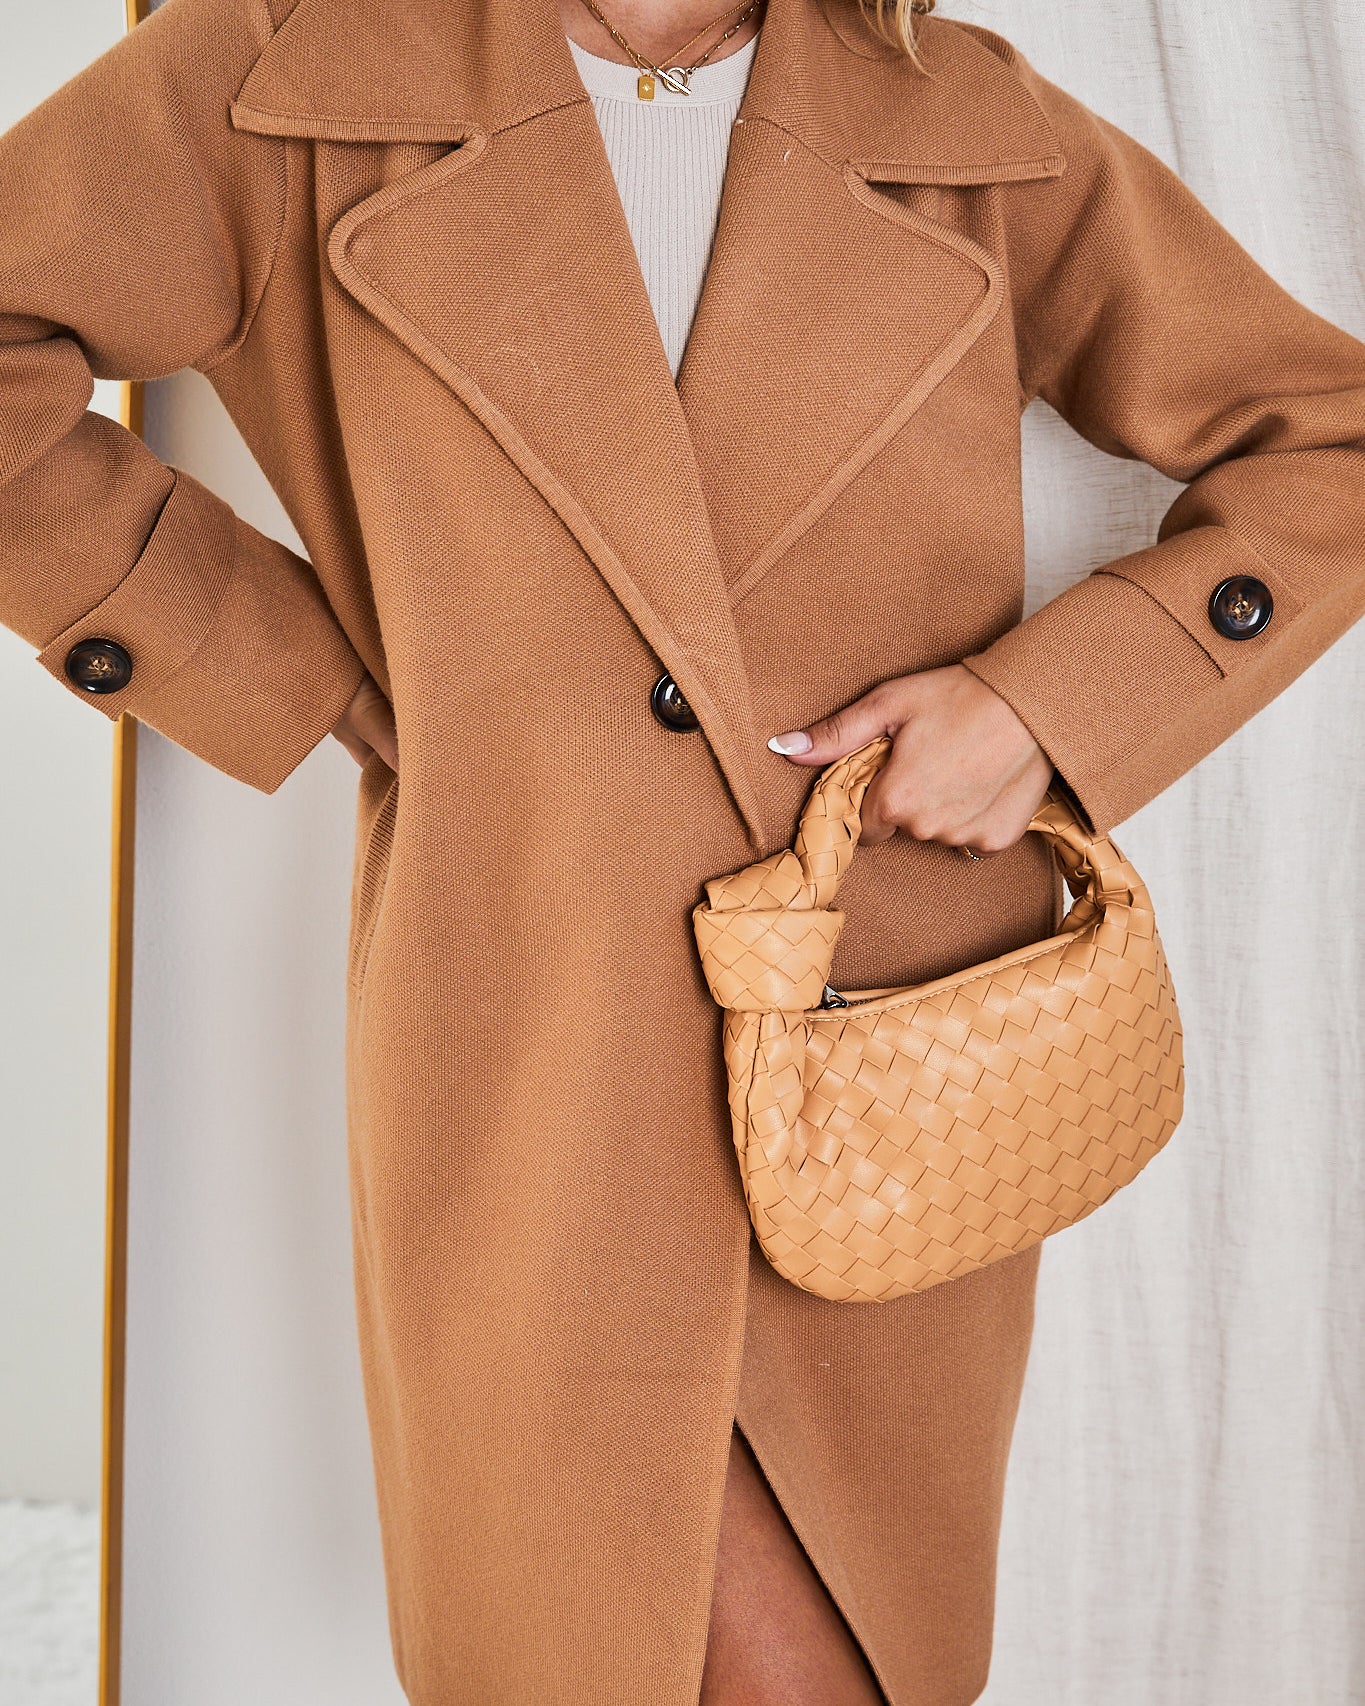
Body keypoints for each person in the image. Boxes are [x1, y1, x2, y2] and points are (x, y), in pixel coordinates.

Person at [1, 0, 1361, 1701]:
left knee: (848, 1642)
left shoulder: (956, 118)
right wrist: (287, 669)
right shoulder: (301, 73)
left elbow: (1326, 438)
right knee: (595, 1633)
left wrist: (1046, 708)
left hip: (881, 1030)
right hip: (539, 998)